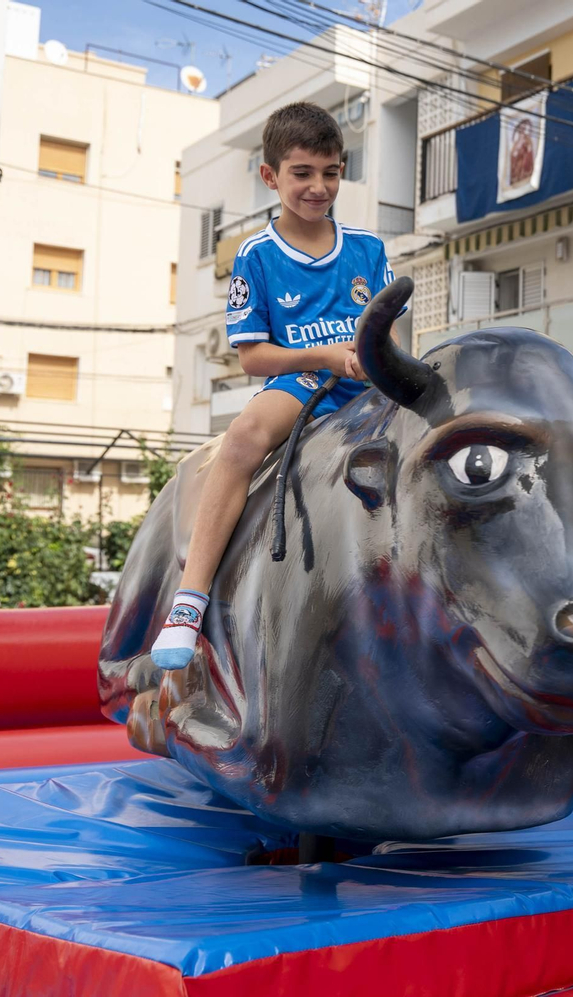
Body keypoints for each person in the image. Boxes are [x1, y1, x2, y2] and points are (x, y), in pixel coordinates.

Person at [151, 102, 403, 669]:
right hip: (301, 383)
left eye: (332, 172)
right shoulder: (256, 255)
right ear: (271, 176)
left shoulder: (368, 248)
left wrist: (379, 361)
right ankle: (189, 603)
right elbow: (253, 358)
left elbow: (387, 335)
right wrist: (329, 357)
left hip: (370, 390)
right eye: (303, 173)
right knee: (242, 437)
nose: (319, 187)